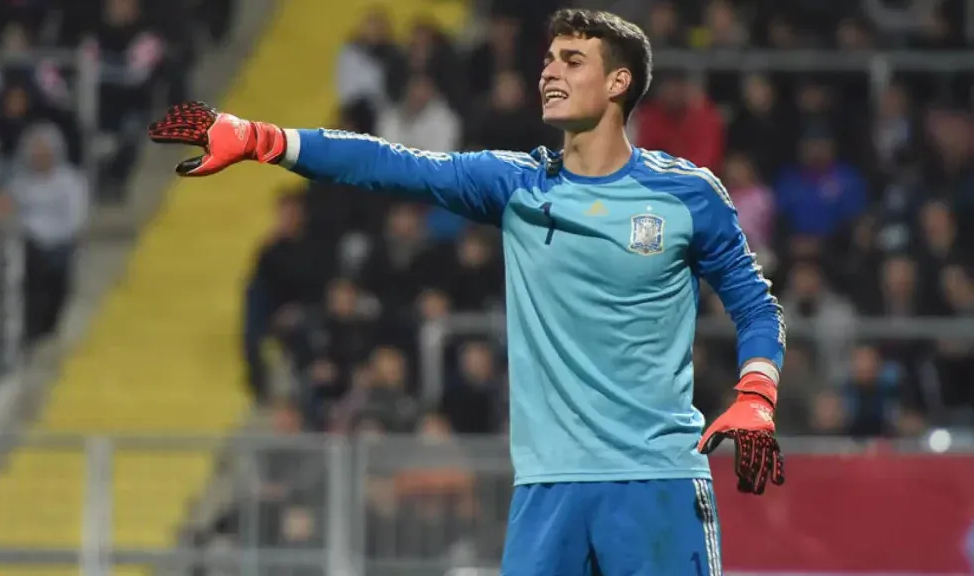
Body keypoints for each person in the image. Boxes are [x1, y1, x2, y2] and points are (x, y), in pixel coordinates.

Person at [148, 8, 786, 574]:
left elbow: (754, 302)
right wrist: (262, 139)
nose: (549, 71)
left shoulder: (686, 195)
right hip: (547, 488)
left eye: (572, 60)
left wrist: (757, 394)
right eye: (548, 59)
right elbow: (392, 163)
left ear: (619, 81)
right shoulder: (518, 185)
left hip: (655, 482)